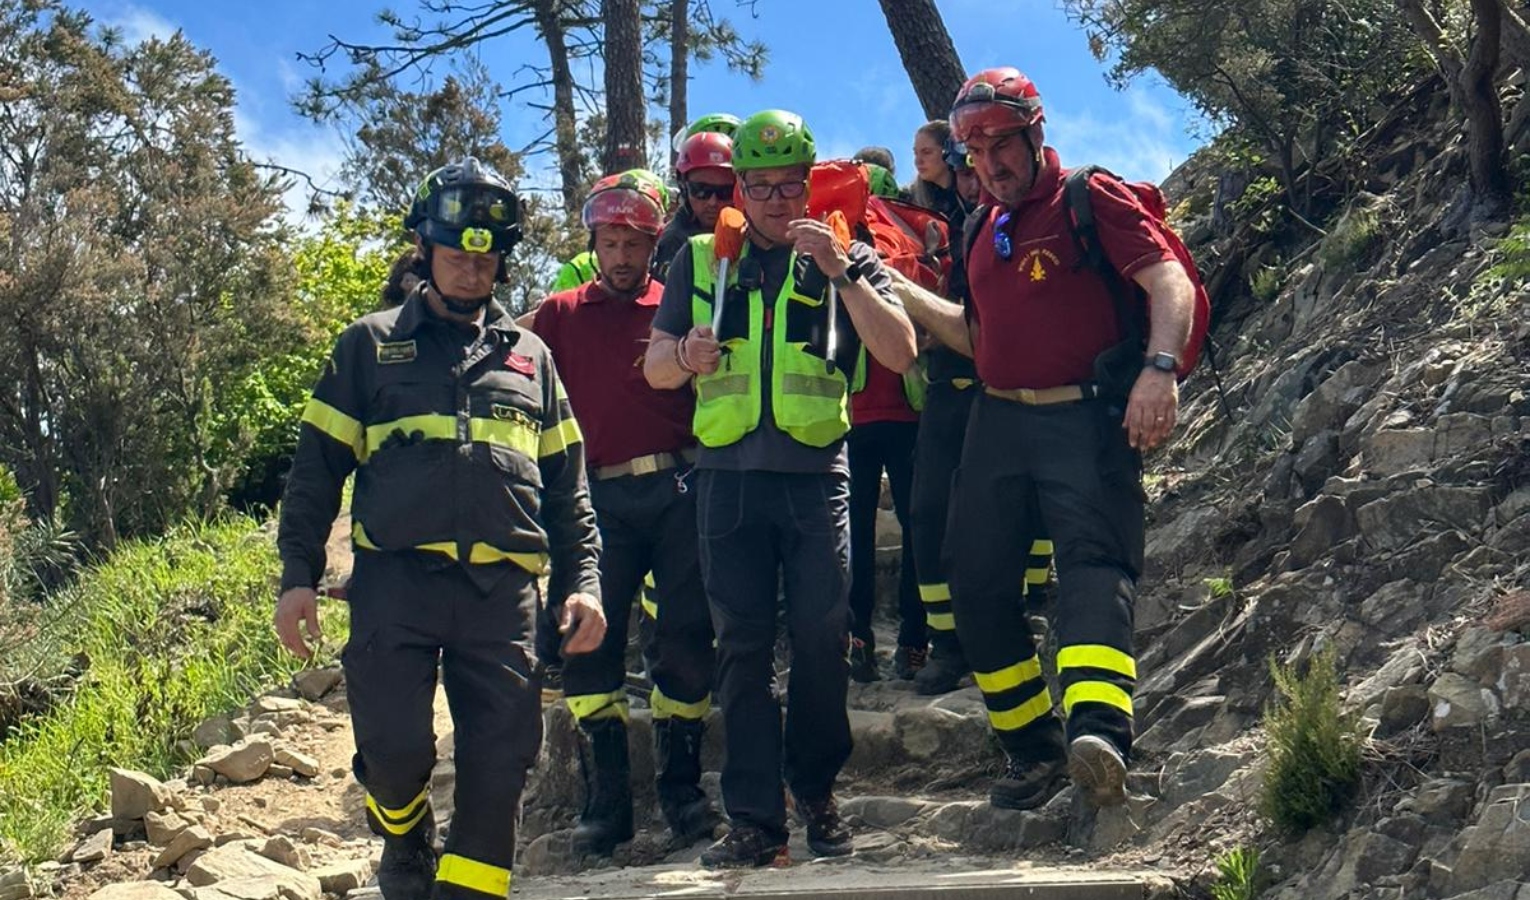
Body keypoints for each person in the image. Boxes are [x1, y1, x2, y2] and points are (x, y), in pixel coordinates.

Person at [273, 157, 607, 900]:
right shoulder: (367, 344)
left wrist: (584, 584)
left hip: (503, 596)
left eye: (486, 256)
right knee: (393, 754)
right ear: (423, 248)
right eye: (457, 252)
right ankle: (403, 828)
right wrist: (297, 578)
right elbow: (314, 475)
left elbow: (568, 492)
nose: (472, 268)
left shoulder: (532, 359)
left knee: (502, 762)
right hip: (396, 586)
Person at [893, 67, 1196, 812]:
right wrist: (897, 291)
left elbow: (1169, 282)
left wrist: (1159, 370)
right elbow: (974, 335)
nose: (989, 161)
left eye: (1001, 142)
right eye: (973, 149)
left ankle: (1099, 737)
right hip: (998, 421)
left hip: (1085, 416)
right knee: (975, 582)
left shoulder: (1090, 197)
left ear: (1036, 132)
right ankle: (1028, 748)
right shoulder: (980, 226)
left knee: (1093, 568)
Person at [643, 109, 917, 868]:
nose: (774, 200)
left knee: (825, 639)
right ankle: (756, 820)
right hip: (726, 481)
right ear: (738, 188)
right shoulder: (701, 260)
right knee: (742, 650)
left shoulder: (843, 252)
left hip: (815, 475)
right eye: (758, 186)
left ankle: (818, 792)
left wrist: (839, 271)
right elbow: (655, 365)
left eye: (788, 184)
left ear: (807, 185)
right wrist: (686, 356)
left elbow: (899, 348)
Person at [529, 170, 721, 855]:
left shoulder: (673, 307)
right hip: (593, 498)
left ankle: (683, 793)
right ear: (594, 242)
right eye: (610, 242)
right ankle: (605, 800)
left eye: (634, 244)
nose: (621, 257)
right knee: (588, 639)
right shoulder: (557, 315)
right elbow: (499, 347)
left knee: (687, 639)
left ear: (653, 245)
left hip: (676, 491)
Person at [846, 349, 924, 683]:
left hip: (911, 417)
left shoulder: (921, 292)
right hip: (850, 419)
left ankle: (915, 641)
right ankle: (856, 638)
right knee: (852, 532)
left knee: (918, 528)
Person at [655, 132, 736, 281]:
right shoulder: (674, 242)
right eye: (701, 190)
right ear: (684, 187)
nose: (713, 202)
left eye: (725, 192)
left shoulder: (752, 234)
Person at [906, 120, 962, 221]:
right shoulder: (912, 200)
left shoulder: (972, 192)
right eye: (916, 153)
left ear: (947, 152)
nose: (918, 161)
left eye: (926, 152)